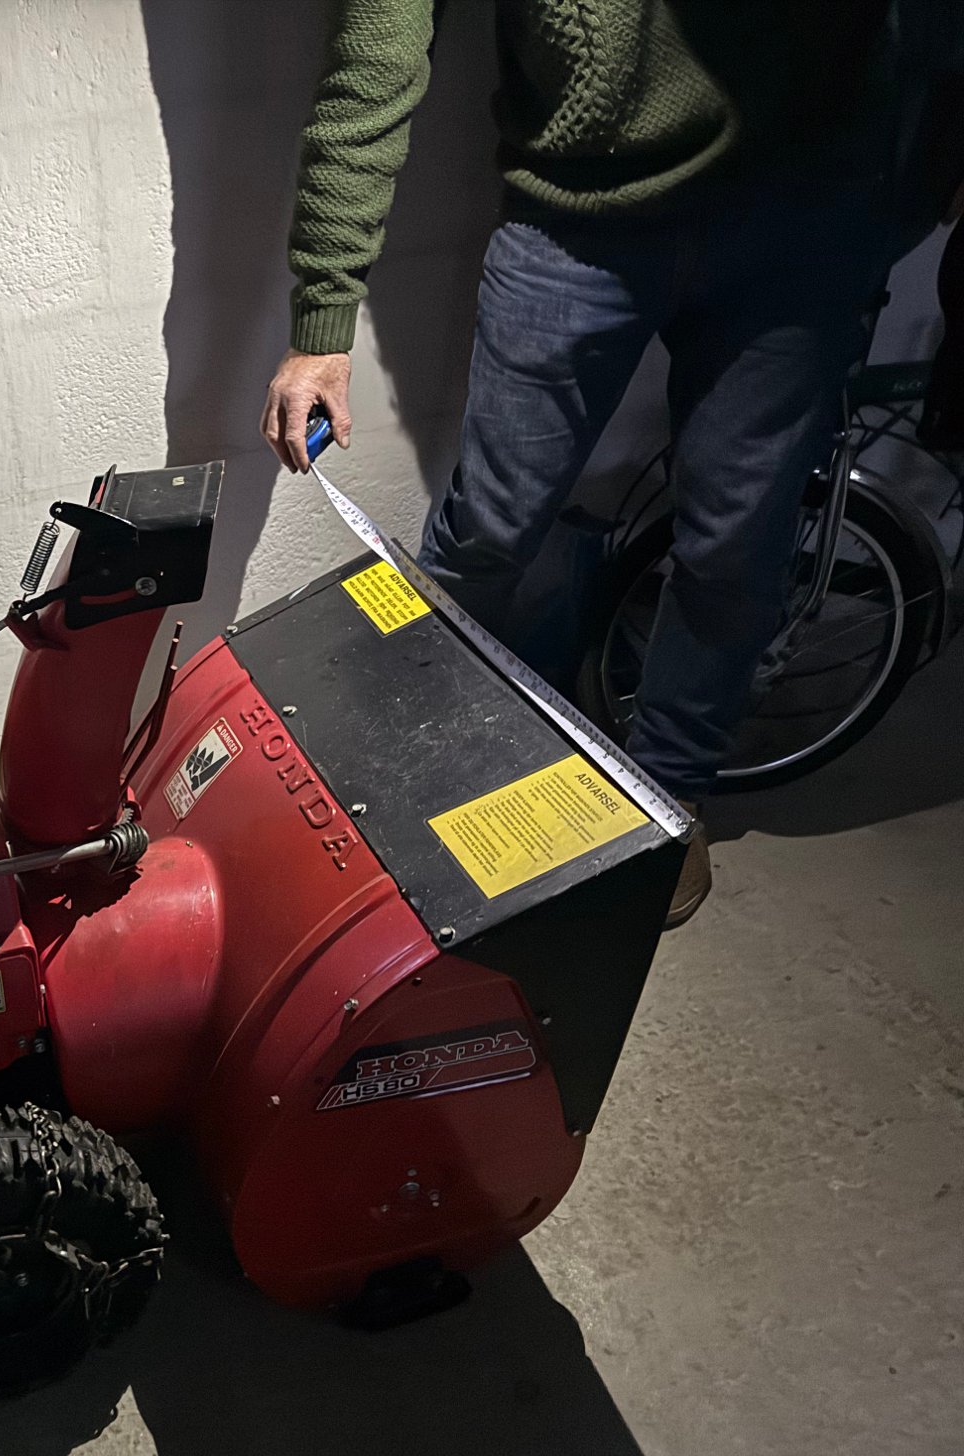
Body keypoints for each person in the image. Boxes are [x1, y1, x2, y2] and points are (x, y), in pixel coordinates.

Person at [262, 1, 962, 928]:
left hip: (809, 221)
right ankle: (395, 780)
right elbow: (374, 50)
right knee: (486, 532)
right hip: (575, 222)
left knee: (736, 553)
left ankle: (669, 799)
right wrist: (323, 316)